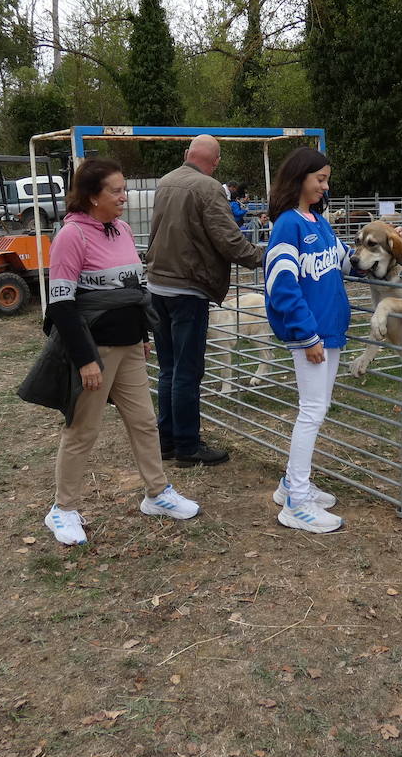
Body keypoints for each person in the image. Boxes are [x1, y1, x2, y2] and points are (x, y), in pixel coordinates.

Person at [41, 158, 200, 546]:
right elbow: (61, 304)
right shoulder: (71, 237)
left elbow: (133, 291)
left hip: (129, 346)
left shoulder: (123, 229)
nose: (124, 197)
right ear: (93, 196)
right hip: (95, 350)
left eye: (123, 189)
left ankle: (157, 493)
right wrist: (85, 359)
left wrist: (142, 335)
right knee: (83, 430)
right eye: (116, 191)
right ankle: (62, 509)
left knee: (144, 422)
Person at [146, 134, 264, 466]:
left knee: (168, 368)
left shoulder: (166, 182)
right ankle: (187, 445)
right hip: (188, 289)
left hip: (158, 286)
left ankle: (166, 440)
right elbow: (229, 241)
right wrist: (266, 256)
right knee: (187, 370)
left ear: (187, 154)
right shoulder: (208, 188)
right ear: (215, 162)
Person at [263, 147, 351, 534]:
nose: (325, 185)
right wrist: (306, 333)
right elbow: (281, 287)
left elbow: (346, 262)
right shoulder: (288, 225)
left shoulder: (319, 221)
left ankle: (290, 486)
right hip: (312, 334)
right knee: (312, 410)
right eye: (320, 178)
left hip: (329, 330)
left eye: (327, 178)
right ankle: (297, 502)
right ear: (300, 177)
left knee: (318, 407)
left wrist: (383, 240)